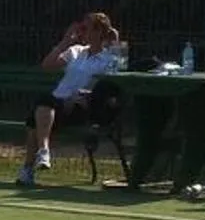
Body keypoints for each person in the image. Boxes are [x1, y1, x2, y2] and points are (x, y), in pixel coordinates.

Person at [18, 11, 126, 189]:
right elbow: (47, 65)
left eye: (86, 28)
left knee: (36, 117)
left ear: (98, 32)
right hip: (57, 104)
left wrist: (115, 41)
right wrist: (65, 41)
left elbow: (113, 81)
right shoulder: (76, 51)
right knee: (41, 109)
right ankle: (43, 152)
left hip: (82, 106)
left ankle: (28, 169)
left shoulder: (108, 59)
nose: (82, 32)